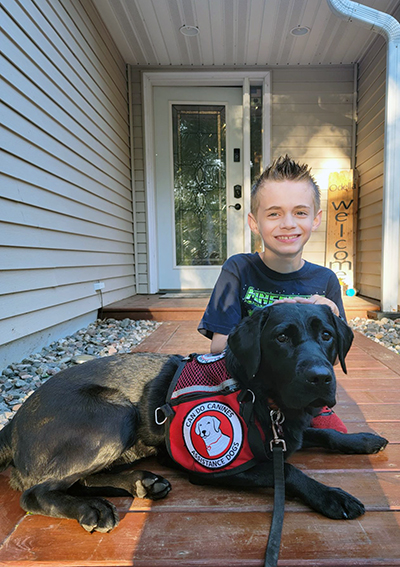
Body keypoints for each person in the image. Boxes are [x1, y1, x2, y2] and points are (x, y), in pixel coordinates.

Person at [198, 155, 348, 433]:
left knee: (337, 438)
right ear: (254, 223)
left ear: (315, 219)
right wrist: (270, 316)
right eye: (274, 213)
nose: (288, 223)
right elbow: (218, 347)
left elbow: (334, 357)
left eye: (300, 212)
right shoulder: (239, 269)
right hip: (250, 390)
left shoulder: (325, 280)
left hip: (303, 390)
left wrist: (333, 320)